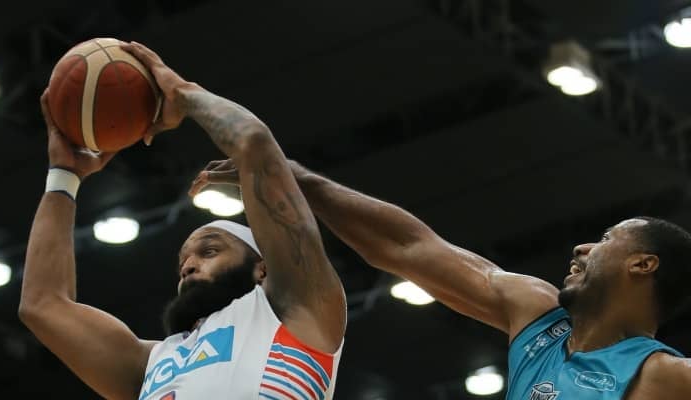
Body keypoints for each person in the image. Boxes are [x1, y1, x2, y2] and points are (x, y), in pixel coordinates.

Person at [191, 159, 691, 399]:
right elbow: (408, 248)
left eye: (605, 239)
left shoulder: (665, 377)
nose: (582, 247)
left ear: (643, 265)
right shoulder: (538, 317)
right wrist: (296, 179)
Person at [18, 42, 346, 400]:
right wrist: (64, 175)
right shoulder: (151, 362)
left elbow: (253, 141)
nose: (188, 265)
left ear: (262, 268)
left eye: (210, 251)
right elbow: (42, 304)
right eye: (183, 261)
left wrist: (184, 95)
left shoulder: (298, 309)